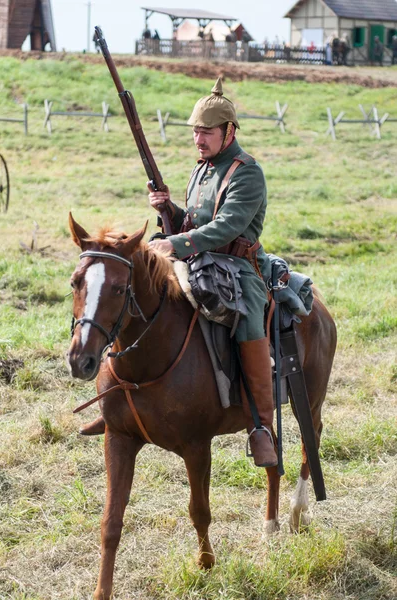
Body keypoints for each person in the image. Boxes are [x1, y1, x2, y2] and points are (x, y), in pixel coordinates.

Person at [147, 79, 278, 468]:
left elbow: (227, 227)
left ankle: (261, 425)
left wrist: (176, 244)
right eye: (195, 132)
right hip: (197, 259)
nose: (198, 140)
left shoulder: (247, 173)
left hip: (239, 267)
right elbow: (190, 220)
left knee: (249, 319)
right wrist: (167, 211)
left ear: (229, 132)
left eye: (206, 132)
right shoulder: (201, 170)